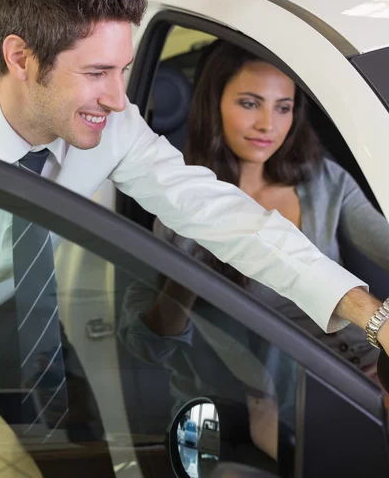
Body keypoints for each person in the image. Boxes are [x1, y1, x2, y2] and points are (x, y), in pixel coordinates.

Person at [0, 0, 389, 456]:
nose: (118, 98)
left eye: (123, 70)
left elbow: (227, 218)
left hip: (41, 337)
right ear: (21, 57)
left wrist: (374, 317)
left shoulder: (113, 126)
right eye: (96, 72)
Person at [120, 40, 389, 459]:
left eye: (283, 107)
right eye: (250, 103)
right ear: (215, 104)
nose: (268, 124)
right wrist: (189, 270)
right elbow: (151, 344)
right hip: (281, 403)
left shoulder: (321, 180)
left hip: (373, 372)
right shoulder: (181, 207)